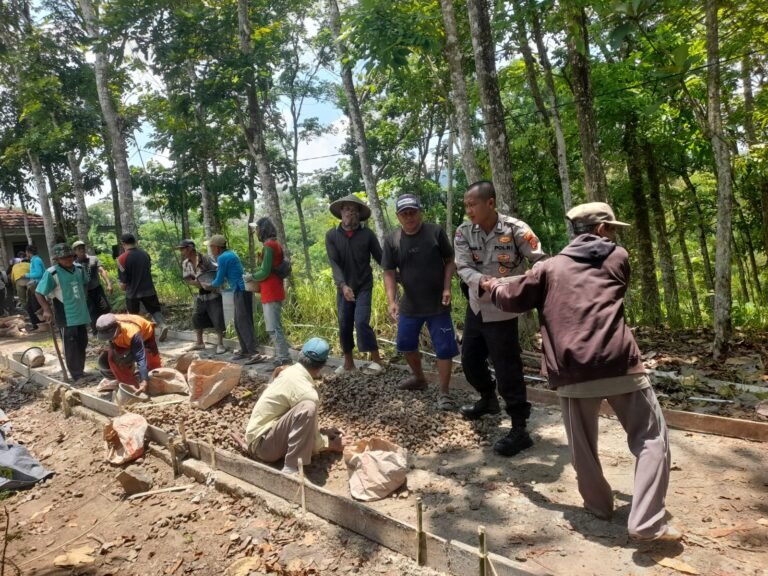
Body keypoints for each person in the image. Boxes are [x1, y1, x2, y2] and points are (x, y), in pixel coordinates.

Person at [480, 202, 679, 541]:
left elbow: (514, 299)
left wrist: (492, 286)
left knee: (582, 446)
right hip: (619, 362)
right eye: (612, 228)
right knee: (651, 439)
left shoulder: (549, 268)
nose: (614, 235)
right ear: (601, 229)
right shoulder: (618, 257)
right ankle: (647, 521)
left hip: (573, 369)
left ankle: (598, 506)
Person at [453, 180, 547, 457]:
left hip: (504, 310)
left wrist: (528, 279)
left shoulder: (516, 230)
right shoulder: (462, 232)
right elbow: (462, 266)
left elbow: (540, 259)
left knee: (508, 369)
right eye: (466, 206)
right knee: (470, 360)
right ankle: (487, 399)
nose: (468, 210)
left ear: (490, 203)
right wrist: (484, 281)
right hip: (477, 306)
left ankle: (520, 429)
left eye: (473, 204)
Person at [382, 194, 459, 411]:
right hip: (410, 304)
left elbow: (450, 260)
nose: (409, 217)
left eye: (413, 212)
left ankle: (444, 391)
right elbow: (388, 272)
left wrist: (447, 287)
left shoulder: (435, 232)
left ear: (420, 212)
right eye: (404, 213)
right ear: (398, 216)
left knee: (444, 348)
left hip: (437, 304)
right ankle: (419, 378)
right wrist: (391, 301)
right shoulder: (392, 240)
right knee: (405, 344)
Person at [243, 337, 347, 474]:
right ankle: (291, 468)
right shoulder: (308, 393)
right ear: (323, 364)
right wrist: (331, 444)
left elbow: (294, 422)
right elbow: (314, 442)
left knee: (306, 408)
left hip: (260, 437)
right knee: (308, 408)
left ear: (300, 355)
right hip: (263, 447)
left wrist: (322, 432)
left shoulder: (289, 372)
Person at [325, 194, 384, 373]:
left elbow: (381, 258)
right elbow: (334, 263)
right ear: (341, 212)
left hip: (364, 285)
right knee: (344, 323)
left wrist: (397, 275)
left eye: (354, 209)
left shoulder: (367, 235)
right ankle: (348, 363)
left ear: (359, 213)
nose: (350, 213)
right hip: (343, 287)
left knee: (361, 321)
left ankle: (377, 361)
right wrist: (343, 285)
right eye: (346, 209)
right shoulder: (332, 235)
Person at [205, 234, 265, 364]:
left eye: (211, 247)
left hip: (241, 290)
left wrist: (208, 285)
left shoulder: (223, 258)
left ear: (216, 247)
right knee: (239, 322)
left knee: (243, 322)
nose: (211, 250)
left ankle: (254, 352)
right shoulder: (229, 254)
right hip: (241, 290)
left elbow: (219, 279)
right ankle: (245, 350)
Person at [35, 244, 91, 382]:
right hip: (66, 314)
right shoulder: (52, 273)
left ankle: (81, 371)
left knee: (82, 342)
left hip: (81, 313)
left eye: (69, 256)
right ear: (57, 259)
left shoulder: (79, 268)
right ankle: (76, 374)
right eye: (63, 258)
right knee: (70, 344)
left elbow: (85, 284)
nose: (67, 260)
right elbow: (39, 292)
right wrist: (47, 309)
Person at [245, 217, 291, 367]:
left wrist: (250, 276)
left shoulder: (269, 246)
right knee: (274, 326)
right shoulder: (273, 244)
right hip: (272, 289)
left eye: (257, 229)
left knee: (273, 327)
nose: (256, 231)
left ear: (262, 230)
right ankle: (282, 355)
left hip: (271, 290)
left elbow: (264, 272)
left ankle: (283, 357)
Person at [116, 233, 168, 342]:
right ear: (134, 242)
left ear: (123, 243)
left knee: (133, 315)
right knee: (154, 310)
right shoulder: (145, 254)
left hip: (132, 292)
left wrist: (120, 285)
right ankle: (162, 325)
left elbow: (123, 284)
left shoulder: (121, 259)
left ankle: (138, 335)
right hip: (149, 289)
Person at [177, 239, 226, 354]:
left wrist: (210, 284)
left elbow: (216, 272)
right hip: (200, 293)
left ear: (190, 248)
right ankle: (199, 342)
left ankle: (220, 343)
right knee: (197, 317)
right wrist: (197, 284)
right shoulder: (185, 263)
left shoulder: (206, 258)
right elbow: (188, 278)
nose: (181, 251)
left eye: (182, 249)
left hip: (213, 292)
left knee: (217, 317)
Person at [95, 313, 162, 394]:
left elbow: (140, 357)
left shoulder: (132, 332)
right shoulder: (107, 323)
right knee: (112, 359)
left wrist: (144, 380)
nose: (111, 339)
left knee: (152, 363)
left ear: (118, 327)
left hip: (145, 335)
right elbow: (112, 344)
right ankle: (129, 386)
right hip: (122, 339)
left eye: (112, 336)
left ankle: (153, 380)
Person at [73, 241, 112, 335]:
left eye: (82, 247)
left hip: (97, 289)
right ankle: (96, 332)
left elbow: (102, 271)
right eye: (78, 249)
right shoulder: (74, 264)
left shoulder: (93, 259)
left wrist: (108, 284)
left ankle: (109, 327)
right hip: (85, 292)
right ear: (75, 251)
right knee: (92, 312)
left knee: (105, 308)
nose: (81, 250)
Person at [24, 245, 45, 331]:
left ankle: (40, 325)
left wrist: (26, 275)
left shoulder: (36, 260)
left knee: (35, 306)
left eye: (26, 252)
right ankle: (36, 324)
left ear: (29, 252)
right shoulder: (34, 260)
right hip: (34, 285)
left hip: (38, 285)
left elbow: (39, 273)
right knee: (30, 306)